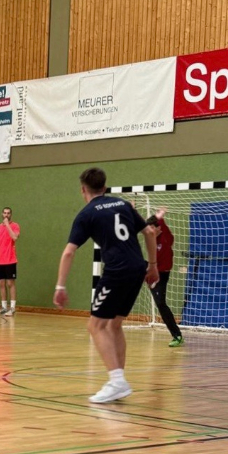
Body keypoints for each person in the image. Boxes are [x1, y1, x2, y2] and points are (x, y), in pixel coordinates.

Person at [54, 168, 158, 403]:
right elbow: (150, 232)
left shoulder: (87, 214)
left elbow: (69, 252)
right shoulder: (123, 205)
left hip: (117, 271)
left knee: (96, 325)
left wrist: (60, 286)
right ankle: (118, 381)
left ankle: (117, 381)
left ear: (83, 189)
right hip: (137, 268)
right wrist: (153, 265)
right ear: (105, 187)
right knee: (114, 325)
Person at [146, 209, 183, 347]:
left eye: (152, 228)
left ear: (158, 228)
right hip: (151, 273)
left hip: (162, 275)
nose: (149, 231)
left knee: (161, 304)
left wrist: (159, 217)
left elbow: (163, 226)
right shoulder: (151, 239)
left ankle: (177, 335)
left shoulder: (166, 237)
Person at [0, 207, 20, 316]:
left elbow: (14, 237)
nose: (6, 215)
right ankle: (3, 308)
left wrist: (7, 225)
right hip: (0, 261)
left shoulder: (15, 226)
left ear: (11, 215)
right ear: (2, 214)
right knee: (1, 283)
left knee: (10, 283)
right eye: (4, 213)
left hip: (10, 260)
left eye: (8, 213)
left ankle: (12, 308)